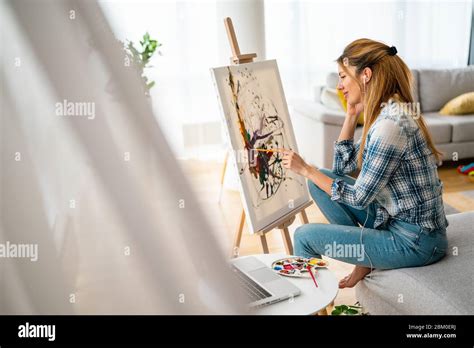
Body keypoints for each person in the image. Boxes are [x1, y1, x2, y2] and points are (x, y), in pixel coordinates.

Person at [282, 38, 448, 289]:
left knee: (304, 236)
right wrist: (351, 115)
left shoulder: (390, 126)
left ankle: (311, 303)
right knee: (318, 183)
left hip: (416, 242)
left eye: (343, 77)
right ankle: (365, 258)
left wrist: (306, 168)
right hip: (395, 220)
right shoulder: (387, 112)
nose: (339, 86)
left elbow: (359, 198)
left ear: (366, 75)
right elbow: (341, 170)